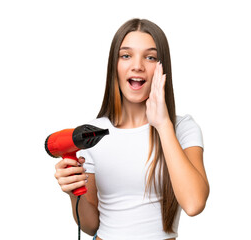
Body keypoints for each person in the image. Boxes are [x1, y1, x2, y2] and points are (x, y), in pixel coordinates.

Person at [54, 18, 209, 240]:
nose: (137, 65)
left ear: (162, 68)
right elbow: (90, 226)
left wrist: (163, 124)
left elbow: (194, 204)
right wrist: (72, 193)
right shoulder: (91, 134)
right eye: (126, 55)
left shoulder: (182, 128)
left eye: (150, 57)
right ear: (114, 65)